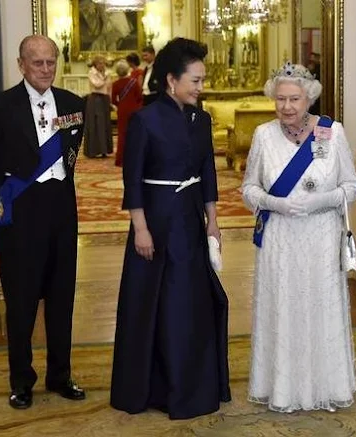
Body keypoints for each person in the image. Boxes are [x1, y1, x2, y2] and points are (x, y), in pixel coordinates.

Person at [110, 37, 231, 419]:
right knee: (157, 304)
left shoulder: (202, 118)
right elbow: (133, 180)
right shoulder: (144, 120)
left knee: (191, 302)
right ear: (170, 81)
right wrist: (140, 229)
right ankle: (156, 387)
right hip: (156, 221)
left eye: (202, 79)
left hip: (190, 220)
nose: (201, 87)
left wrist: (212, 221)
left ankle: (195, 384)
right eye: (194, 80)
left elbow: (208, 173)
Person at [0, 35, 86, 409]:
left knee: (61, 297)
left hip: (61, 212)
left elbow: (70, 158)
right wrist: (2, 200)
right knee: (20, 302)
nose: (46, 69)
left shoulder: (73, 104)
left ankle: (60, 374)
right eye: (37, 63)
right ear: (21, 64)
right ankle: (21, 380)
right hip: (19, 214)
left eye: (51, 62)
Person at [242, 62, 356, 413]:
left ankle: (326, 384)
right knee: (283, 306)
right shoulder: (264, 135)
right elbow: (249, 188)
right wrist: (273, 202)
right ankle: (281, 388)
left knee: (319, 306)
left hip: (321, 236)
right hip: (280, 237)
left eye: (294, 99)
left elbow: (352, 186)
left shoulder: (332, 132)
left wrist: (320, 200)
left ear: (309, 98)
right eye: (280, 99)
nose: (287, 107)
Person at [111, 60, 143, 167]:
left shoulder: (115, 84)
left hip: (122, 111)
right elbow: (139, 97)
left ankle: (120, 160)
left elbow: (113, 100)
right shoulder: (134, 82)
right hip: (134, 110)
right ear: (127, 70)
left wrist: (120, 104)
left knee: (122, 135)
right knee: (135, 134)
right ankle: (134, 159)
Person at [84, 55, 113, 158]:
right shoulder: (92, 72)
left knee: (104, 123)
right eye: (100, 63)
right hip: (95, 99)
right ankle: (93, 150)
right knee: (96, 123)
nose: (102, 65)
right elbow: (97, 84)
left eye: (103, 63)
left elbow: (109, 87)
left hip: (104, 98)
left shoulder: (107, 72)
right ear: (95, 64)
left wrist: (110, 100)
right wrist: (105, 79)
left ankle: (105, 150)